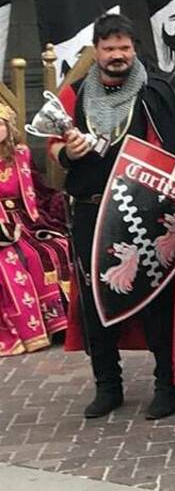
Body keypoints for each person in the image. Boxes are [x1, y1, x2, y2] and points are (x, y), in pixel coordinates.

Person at [50, 13, 175, 420]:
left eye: (124, 48)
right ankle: (107, 385)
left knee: (156, 301)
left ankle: (167, 386)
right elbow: (53, 156)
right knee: (96, 302)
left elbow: (170, 157)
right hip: (91, 210)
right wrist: (65, 153)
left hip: (147, 215)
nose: (117, 55)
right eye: (109, 48)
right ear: (96, 50)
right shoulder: (73, 95)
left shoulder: (156, 92)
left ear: (134, 49)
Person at [0, 102, 72, 355]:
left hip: (28, 221)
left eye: (1, 124)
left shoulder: (21, 154)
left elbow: (39, 190)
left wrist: (57, 205)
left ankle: (63, 324)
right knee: (23, 257)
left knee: (58, 247)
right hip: (2, 227)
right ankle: (31, 328)